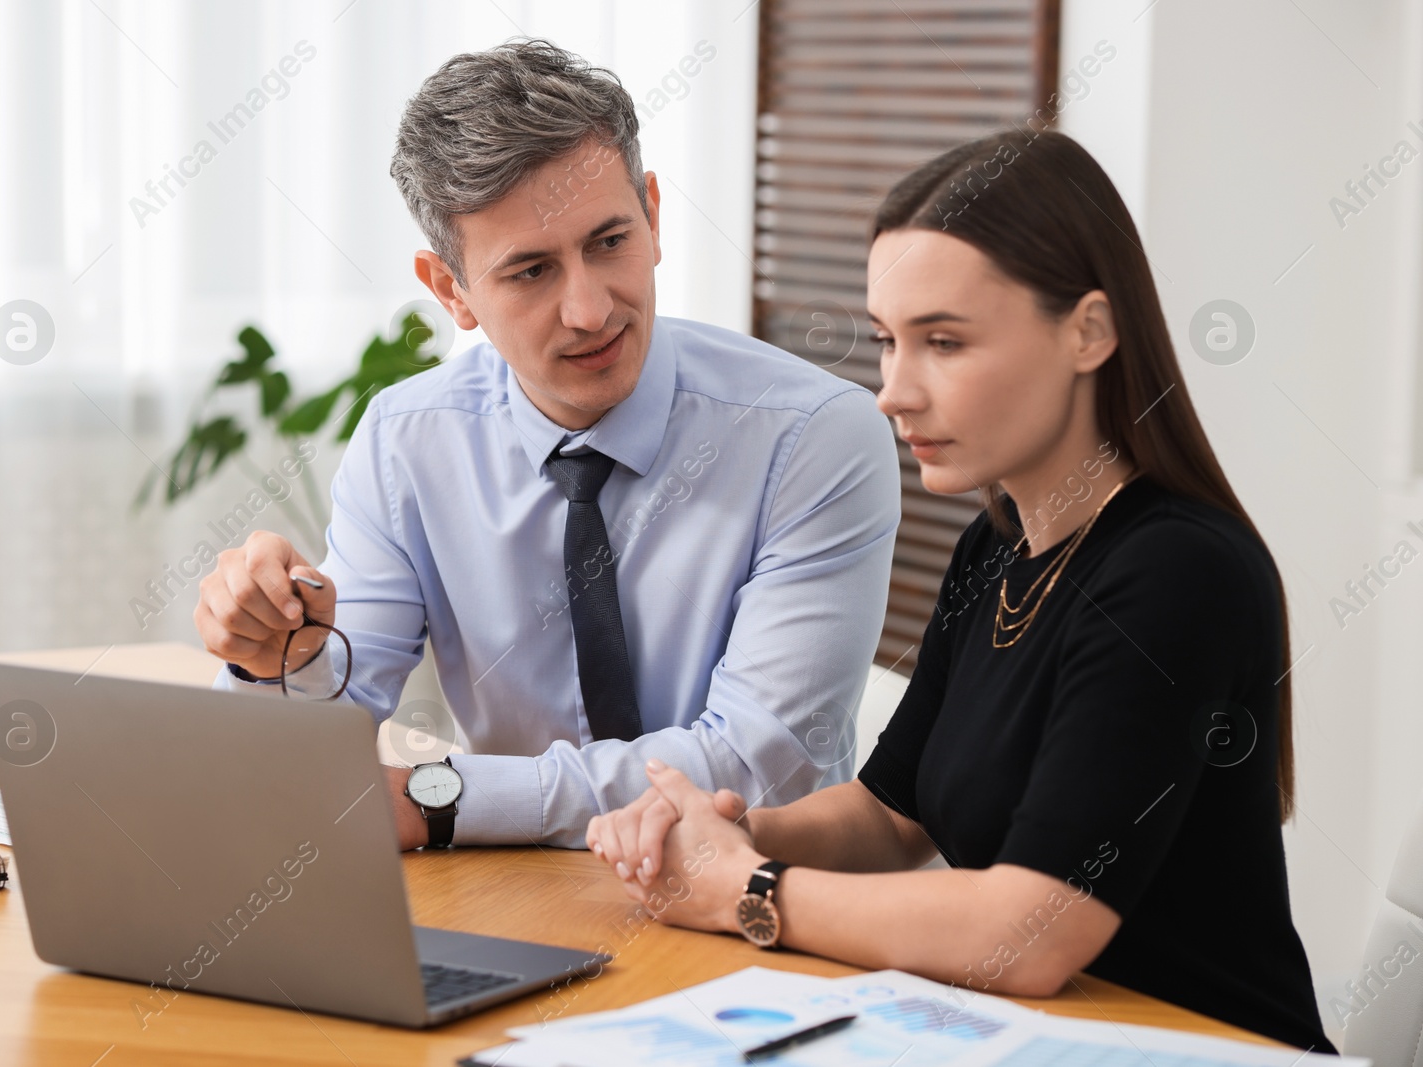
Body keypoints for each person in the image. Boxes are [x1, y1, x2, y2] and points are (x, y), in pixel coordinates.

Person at [587, 129, 1334, 1053]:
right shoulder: (998, 543)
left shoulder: (1180, 572)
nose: (893, 393)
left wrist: (749, 890)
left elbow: (1033, 930)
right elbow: (890, 818)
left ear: (1089, 331)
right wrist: (712, 832)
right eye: (890, 343)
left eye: (943, 342)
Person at [192, 40, 899, 851]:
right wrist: (275, 656)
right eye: (531, 271)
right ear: (450, 290)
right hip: (513, 899)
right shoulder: (405, 443)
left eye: (609, 242)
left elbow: (759, 767)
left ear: (655, 217)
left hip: (752, 912)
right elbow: (294, 763)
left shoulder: (812, 437)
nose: (591, 310)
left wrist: (442, 799)